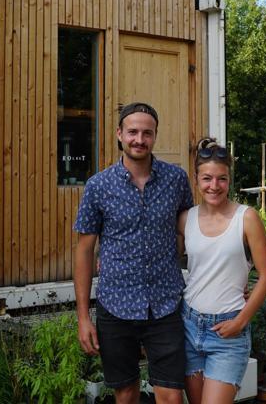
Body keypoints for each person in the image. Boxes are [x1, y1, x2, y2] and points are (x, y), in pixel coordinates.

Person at [74, 102, 193, 404]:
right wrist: (83, 317)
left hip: (165, 303)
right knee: (125, 393)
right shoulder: (98, 186)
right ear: (119, 134)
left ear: (155, 136)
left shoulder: (176, 180)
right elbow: (85, 251)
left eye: (147, 133)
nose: (139, 139)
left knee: (170, 394)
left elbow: (190, 233)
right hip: (116, 306)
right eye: (133, 132)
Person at [179, 138, 266, 404]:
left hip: (228, 332)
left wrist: (241, 321)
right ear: (196, 179)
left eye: (222, 179)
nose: (214, 186)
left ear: (229, 180)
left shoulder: (247, 218)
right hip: (189, 325)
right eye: (207, 178)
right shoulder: (186, 219)